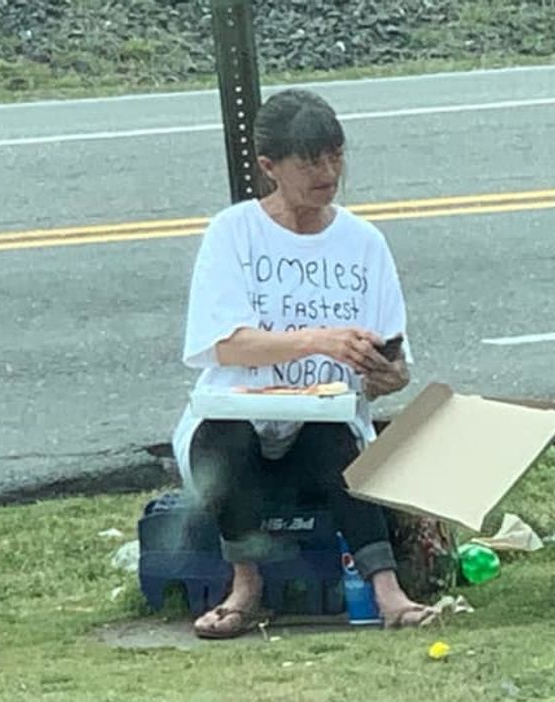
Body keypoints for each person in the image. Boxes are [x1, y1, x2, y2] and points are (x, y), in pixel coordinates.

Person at [170, 88, 437, 637]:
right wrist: (317, 341)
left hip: (325, 419)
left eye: (335, 156)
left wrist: (388, 375)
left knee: (333, 438)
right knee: (227, 439)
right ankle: (245, 586)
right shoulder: (234, 233)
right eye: (310, 161)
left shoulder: (363, 242)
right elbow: (226, 344)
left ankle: (388, 591)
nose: (328, 171)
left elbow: (394, 358)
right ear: (270, 166)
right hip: (237, 417)